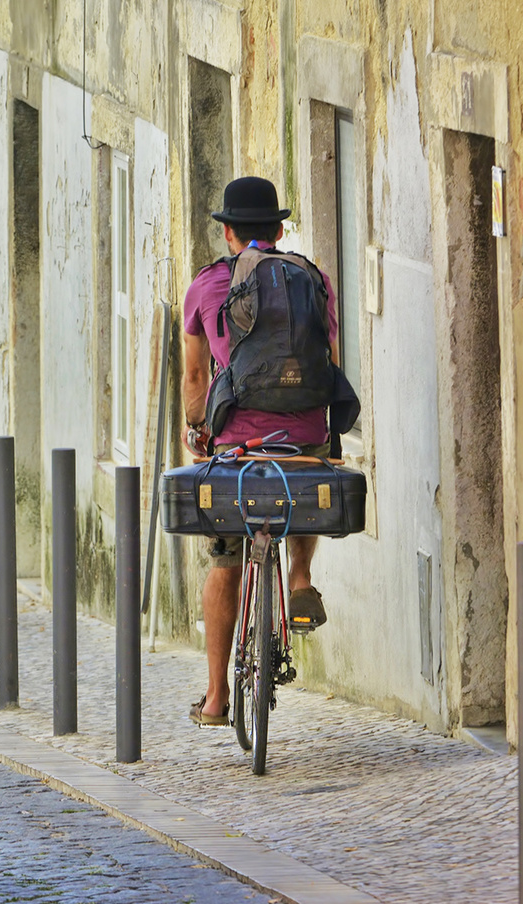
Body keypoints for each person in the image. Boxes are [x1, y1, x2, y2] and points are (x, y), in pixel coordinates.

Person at [181, 176, 340, 727]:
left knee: (225, 559)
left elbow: (197, 374)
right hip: (303, 435)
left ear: (227, 232)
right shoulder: (310, 278)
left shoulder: (206, 287)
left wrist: (197, 428)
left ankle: (218, 697)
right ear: (277, 229)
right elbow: (328, 358)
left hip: (238, 446)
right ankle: (299, 573)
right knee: (307, 476)